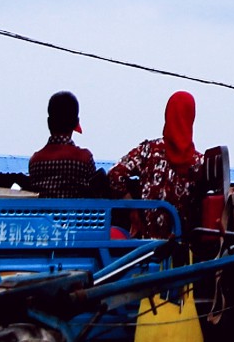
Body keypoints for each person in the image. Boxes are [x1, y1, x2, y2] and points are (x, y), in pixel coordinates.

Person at [109, 91, 205, 237]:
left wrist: (133, 208)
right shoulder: (199, 163)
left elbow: (115, 174)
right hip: (181, 246)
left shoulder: (149, 151)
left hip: (145, 245)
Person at [28, 91, 109, 198]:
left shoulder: (35, 161)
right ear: (76, 122)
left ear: (49, 123)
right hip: (77, 209)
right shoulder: (84, 158)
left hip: (43, 209)